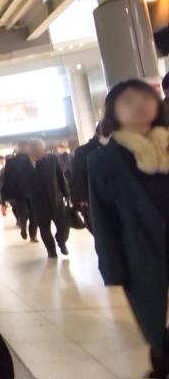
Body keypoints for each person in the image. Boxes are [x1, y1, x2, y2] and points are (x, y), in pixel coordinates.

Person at [89, 79, 169, 378]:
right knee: (154, 322)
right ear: (114, 112)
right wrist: (112, 268)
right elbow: (104, 220)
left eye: (145, 98)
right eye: (128, 101)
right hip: (140, 254)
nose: (138, 105)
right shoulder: (103, 161)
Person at [25, 139, 70, 258]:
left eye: (40, 149)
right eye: (35, 150)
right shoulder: (26, 164)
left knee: (64, 225)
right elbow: (22, 183)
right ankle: (51, 251)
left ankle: (61, 241)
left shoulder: (52, 159)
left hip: (56, 199)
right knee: (44, 229)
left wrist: (66, 193)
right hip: (38, 203)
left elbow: (60, 177)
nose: (38, 152)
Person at [71, 124, 105, 232]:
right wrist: (81, 198)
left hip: (111, 195)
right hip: (92, 197)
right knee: (99, 229)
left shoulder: (114, 147)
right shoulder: (82, 151)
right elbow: (78, 176)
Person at [0, 141, 36, 241]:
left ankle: (23, 226)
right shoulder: (32, 159)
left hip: (18, 192)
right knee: (33, 213)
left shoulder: (11, 161)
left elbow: (7, 178)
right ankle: (32, 235)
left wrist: (7, 193)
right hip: (32, 191)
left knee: (23, 211)